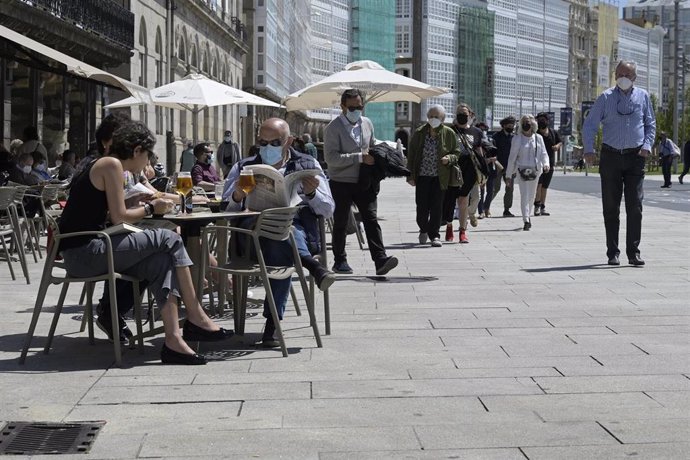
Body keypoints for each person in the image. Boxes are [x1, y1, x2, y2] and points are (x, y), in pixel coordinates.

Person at [58, 121, 232, 365]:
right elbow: (119, 217)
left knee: (161, 261)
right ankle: (196, 315)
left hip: (91, 249)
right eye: (148, 155)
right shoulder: (111, 164)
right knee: (170, 238)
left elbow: (108, 212)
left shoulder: (109, 164)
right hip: (85, 252)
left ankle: (173, 340)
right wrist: (151, 207)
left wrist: (140, 202)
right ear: (137, 150)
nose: (148, 163)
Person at [223, 118, 336, 348]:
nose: (267, 147)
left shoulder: (307, 164)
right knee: (283, 235)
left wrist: (312, 194)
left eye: (274, 142)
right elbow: (225, 211)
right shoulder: (243, 167)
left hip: (292, 231)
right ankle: (312, 267)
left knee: (285, 232)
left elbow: (328, 209)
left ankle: (273, 323)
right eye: (261, 142)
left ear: (289, 141)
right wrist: (237, 196)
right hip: (251, 237)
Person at [583, 60, 655, 267]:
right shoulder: (605, 97)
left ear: (634, 77)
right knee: (611, 206)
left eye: (627, 74)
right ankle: (613, 252)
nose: (623, 77)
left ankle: (634, 252)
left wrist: (647, 146)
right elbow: (590, 124)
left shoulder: (643, 96)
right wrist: (589, 149)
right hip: (611, 156)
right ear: (615, 75)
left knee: (635, 206)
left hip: (635, 157)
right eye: (620, 73)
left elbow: (650, 124)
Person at [324, 88, 398, 275]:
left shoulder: (367, 123)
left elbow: (371, 145)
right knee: (341, 221)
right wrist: (358, 157)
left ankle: (380, 259)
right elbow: (331, 159)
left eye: (359, 106)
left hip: (364, 180)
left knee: (371, 219)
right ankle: (340, 260)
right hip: (341, 181)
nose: (356, 110)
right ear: (342, 107)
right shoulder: (333, 128)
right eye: (352, 107)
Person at [406, 104, 459, 247]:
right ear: (427, 117)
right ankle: (423, 228)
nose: (433, 119)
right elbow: (411, 155)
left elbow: (456, 152)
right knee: (422, 206)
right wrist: (410, 175)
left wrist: (449, 159)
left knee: (437, 207)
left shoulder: (449, 133)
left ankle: (434, 235)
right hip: (422, 175)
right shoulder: (419, 132)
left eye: (437, 117)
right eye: (431, 116)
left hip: (440, 176)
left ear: (443, 118)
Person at [505, 115, 549, 231]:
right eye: (524, 122)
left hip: (535, 170)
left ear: (532, 124)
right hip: (521, 170)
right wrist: (509, 175)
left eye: (528, 122)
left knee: (531, 196)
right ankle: (526, 219)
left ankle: (528, 214)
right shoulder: (517, 138)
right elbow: (512, 157)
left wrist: (546, 164)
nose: (526, 124)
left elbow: (544, 153)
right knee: (524, 194)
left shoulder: (538, 138)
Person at [448, 103, 484, 244]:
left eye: (465, 113)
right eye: (459, 113)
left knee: (463, 200)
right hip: (452, 169)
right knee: (450, 201)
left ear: (470, 115)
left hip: (469, 170)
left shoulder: (476, 132)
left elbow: (479, 153)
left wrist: (482, 171)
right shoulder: (450, 130)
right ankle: (449, 226)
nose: (462, 116)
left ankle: (462, 231)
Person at [534, 112, 562, 216]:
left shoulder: (553, 132)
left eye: (543, 119)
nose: (541, 121)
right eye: (539, 119)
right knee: (538, 185)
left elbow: (560, 141)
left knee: (545, 186)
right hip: (538, 163)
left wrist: (557, 146)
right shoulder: (535, 134)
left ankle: (542, 206)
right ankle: (536, 205)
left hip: (550, 163)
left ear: (547, 121)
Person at [492, 116, 516, 217]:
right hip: (498, 166)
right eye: (509, 125)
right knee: (495, 188)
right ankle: (485, 206)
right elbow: (492, 151)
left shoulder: (514, 137)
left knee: (509, 189)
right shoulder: (496, 136)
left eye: (512, 125)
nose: (511, 127)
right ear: (504, 125)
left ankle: (506, 210)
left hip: (510, 167)